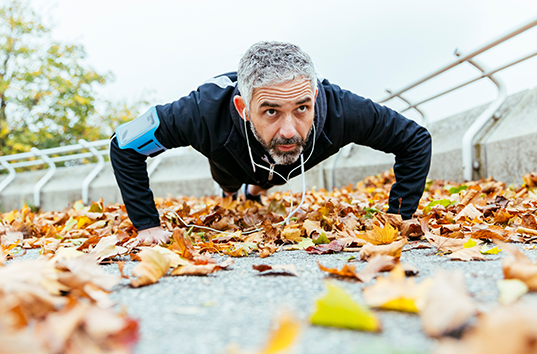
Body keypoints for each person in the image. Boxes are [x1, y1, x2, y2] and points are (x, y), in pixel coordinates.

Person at [110, 41, 432, 244]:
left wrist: (398, 217)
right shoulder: (201, 112)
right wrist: (147, 224)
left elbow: (415, 139)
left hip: (284, 164)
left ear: (315, 97)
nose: (289, 129)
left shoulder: (341, 110)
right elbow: (124, 145)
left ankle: (257, 189)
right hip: (229, 160)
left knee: (276, 166)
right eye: (271, 111)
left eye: (302, 108)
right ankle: (235, 191)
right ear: (244, 109)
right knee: (230, 180)